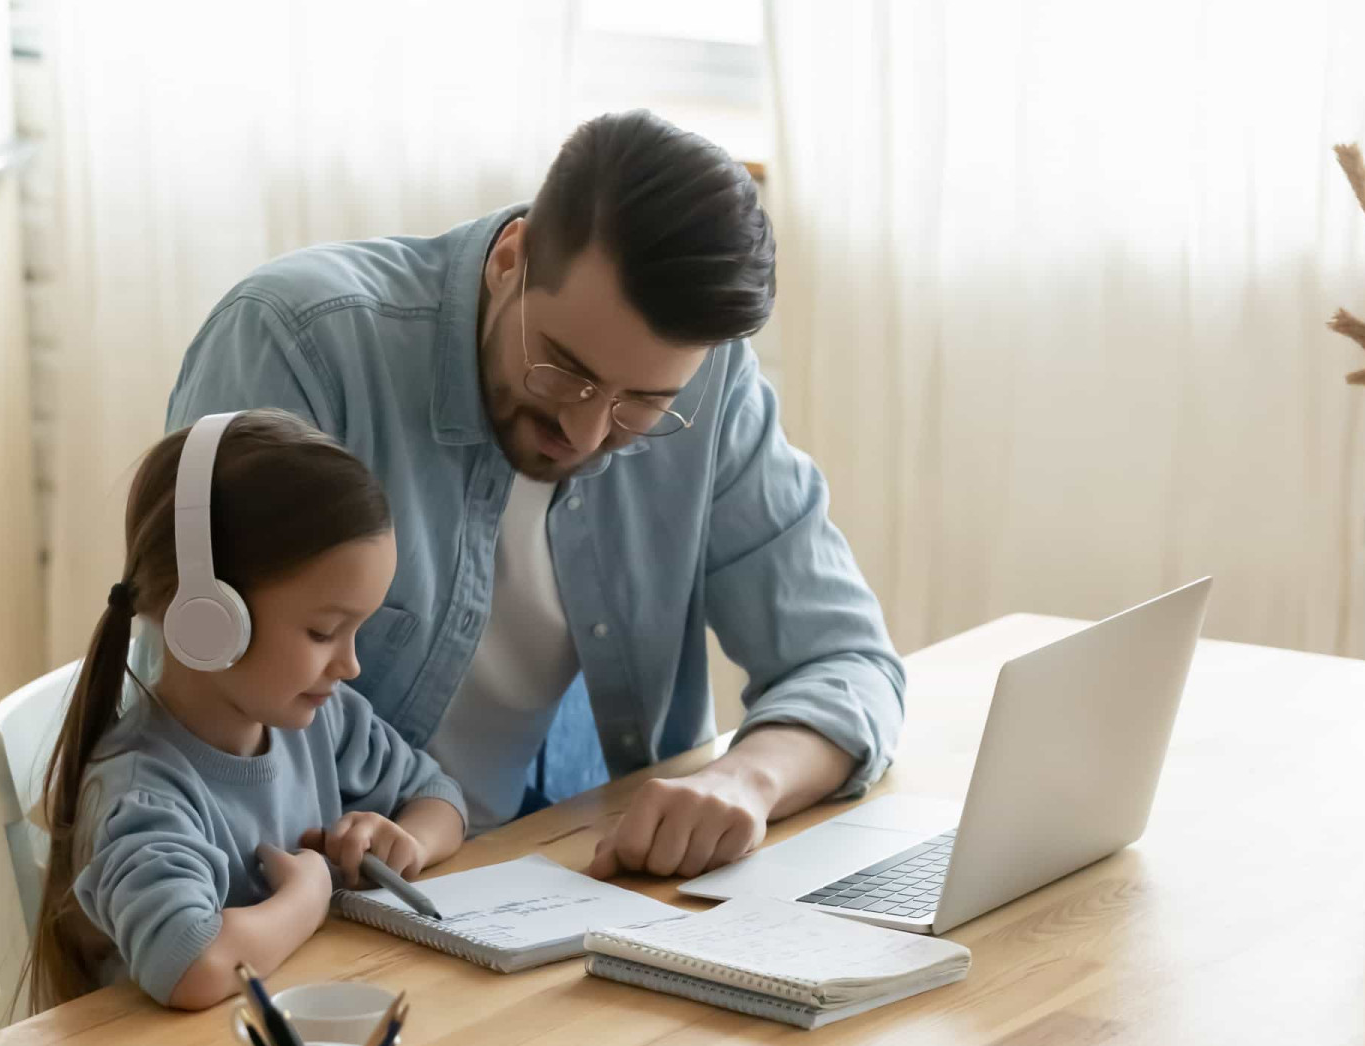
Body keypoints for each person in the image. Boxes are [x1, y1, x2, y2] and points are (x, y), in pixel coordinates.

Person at [163, 109, 903, 880]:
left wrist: (742, 781)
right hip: (317, 900)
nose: (583, 432)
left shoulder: (709, 382)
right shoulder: (299, 347)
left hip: (574, 880)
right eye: (563, 367)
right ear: (510, 259)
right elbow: (202, 697)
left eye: (639, 403)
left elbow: (847, 662)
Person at [27, 410, 468, 1011]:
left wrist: (405, 842)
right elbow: (191, 963)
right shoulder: (142, 794)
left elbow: (440, 795)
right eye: (324, 631)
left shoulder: (323, 721)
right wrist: (307, 899)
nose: (350, 665)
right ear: (208, 619)